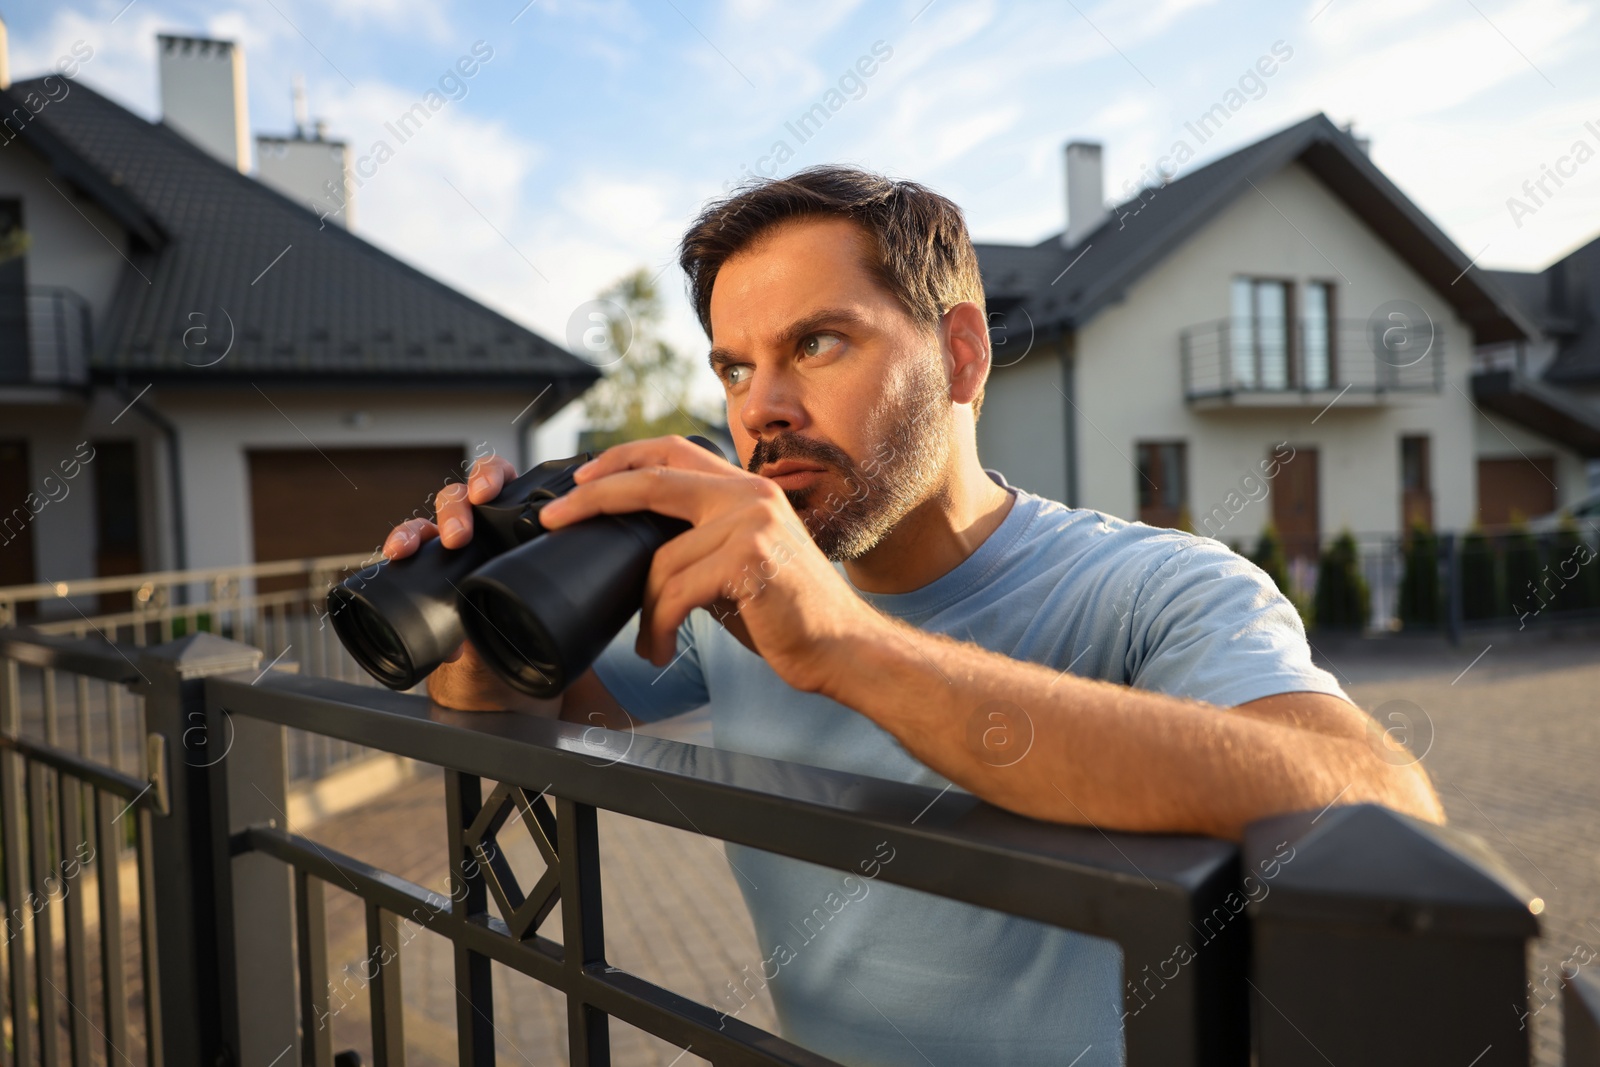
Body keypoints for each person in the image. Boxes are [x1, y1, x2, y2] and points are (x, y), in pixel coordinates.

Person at [380, 166, 1444, 1066]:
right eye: (736, 366)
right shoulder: (738, 585)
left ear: (962, 355)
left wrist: (842, 647)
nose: (761, 407)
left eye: (819, 343)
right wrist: (478, 623)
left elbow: (1377, 799)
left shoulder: (1157, 585)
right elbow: (553, 725)